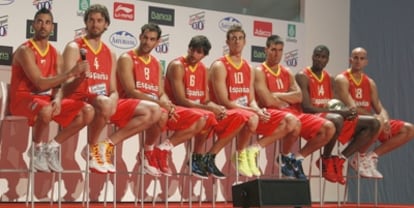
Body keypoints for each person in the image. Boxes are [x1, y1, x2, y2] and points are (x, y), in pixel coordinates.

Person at [62, 4, 161, 174]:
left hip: (104, 104)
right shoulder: (74, 47)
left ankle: (105, 145)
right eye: (91, 20)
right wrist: (80, 79)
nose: (95, 24)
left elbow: (113, 89)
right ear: (85, 23)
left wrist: (113, 101)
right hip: (81, 100)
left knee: (154, 110)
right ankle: (92, 148)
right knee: (104, 101)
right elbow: (65, 86)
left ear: (106, 24)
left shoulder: (110, 53)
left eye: (99, 20)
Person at [9, 7, 94, 173]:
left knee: (87, 111)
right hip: (23, 99)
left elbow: (59, 85)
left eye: (47, 23)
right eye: (40, 21)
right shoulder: (25, 50)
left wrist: (58, 98)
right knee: (46, 109)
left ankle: (52, 146)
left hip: (46, 100)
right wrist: (71, 73)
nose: (43, 26)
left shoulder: (56, 52)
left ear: (52, 27)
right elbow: (40, 84)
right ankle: (36, 148)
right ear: (33, 25)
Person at [209, 25, 300, 177]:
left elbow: (251, 99)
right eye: (233, 39)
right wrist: (254, 111)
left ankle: (252, 151)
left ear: (245, 42)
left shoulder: (248, 67)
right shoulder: (220, 65)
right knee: (251, 118)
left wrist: (257, 109)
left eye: (240, 38)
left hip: (248, 112)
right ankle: (240, 154)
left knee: (290, 120)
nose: (237, 42)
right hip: (229, 113)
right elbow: (224, 101)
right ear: (227, 42)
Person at [116, 23, 206, 177]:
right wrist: (161, 104)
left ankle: (163, 149)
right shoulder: (127, 58)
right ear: (140, 37)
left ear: (157, 43)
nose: (147, 42)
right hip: (131, 106)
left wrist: (168, 104)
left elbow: (160, 92)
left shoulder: (156, 63)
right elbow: (131, 91)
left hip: (155, 107)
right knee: (161, 112)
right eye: (145, 37)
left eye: (152, 39)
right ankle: (148, 151)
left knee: (201, 118)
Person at [164, 35, 249, 179]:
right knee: (207, 115)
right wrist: (210, 109)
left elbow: (206, 100)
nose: (195, 54)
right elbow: (181, 100)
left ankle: (207, 157)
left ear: (204, 54)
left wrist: (217, 108)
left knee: (238, 116)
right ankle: (195, 157)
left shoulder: (203, 69)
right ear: (189, 48)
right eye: (193, 50)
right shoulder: (177, 65)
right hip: (177, 111)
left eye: (200, 52)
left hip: (198, 112)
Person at [254, 35, 336, 180]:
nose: (276, 53)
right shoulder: (259, 70)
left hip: (294, 114)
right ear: (266, 50)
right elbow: (267, 100)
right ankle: (284, 157)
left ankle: (296, 159)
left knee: (329, 128)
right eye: (273, 49)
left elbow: (299, 97)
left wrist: (276, 95)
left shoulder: (286, 71)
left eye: (280, 50)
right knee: (293, 121)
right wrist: (285, 96)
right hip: (274, 116)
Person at [295, 45, 380, 182]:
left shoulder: (330, 78)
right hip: (311, 118)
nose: (319, 59)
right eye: (317, 56)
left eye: (323, 57)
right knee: (338, 118)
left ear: (327, 60)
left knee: (373, 123)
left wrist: (348, 112)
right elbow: (306, 108)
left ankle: (340, 159)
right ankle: (326, 158)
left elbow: (336, 103)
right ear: (312, 57)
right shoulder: (302, 76)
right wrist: (339, 112)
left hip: (330, 117)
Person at [335, 47, 414, 178]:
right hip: (352, 123)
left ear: (366, 62)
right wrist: (377, 118)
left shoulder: (370, 82)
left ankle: (370, 157)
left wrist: (386, 118)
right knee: (376, 122)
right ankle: (358, 157)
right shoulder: (342, 79)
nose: (358, 61)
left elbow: (379, 106)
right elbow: (352, 107)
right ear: (350, 60)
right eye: (355, 58)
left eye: (362, 58)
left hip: (373, 125)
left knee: (409, 129)